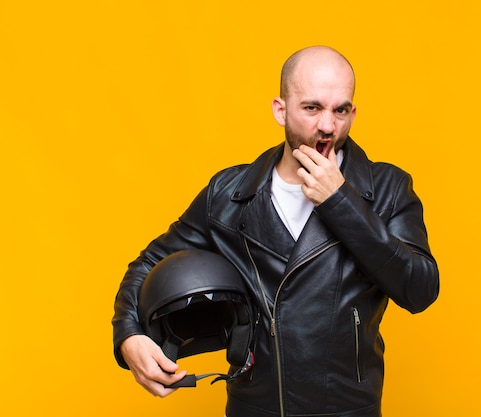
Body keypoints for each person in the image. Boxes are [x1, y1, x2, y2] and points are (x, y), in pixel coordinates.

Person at [112, 45, 439, 417]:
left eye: (341, 110)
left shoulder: (387, 188)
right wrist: (129, 335)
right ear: (280, 110)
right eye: (312, 108)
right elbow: (150, 262)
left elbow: (421, 289)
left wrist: (342, 203)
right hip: (254, 408)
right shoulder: (229, 194)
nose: (328, 126)